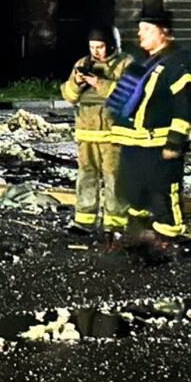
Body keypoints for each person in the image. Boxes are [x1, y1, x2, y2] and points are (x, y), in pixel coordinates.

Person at [104, 8, 191, 253]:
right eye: (140, 30)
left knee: (163, 193)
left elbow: (187, 104)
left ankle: (168, 238)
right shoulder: (142, 63)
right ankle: (140, 236)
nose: (141, 34)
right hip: (133, 144)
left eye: (147, 29)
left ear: (164, 33)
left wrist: (175, 142)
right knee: (132, 191)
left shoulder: (177, 63)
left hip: (159, 145)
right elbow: (121, 101)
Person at [58, 26, 131, 236]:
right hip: (86, 133)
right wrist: (77, 82)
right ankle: (84, 221)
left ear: (112, 45)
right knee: (86, 177)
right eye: (92, 47)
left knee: (114, 179)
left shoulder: (126, 64)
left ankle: (115, 224)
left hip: (113, 133)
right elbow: (69, 96)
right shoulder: (83, 63)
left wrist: (99, 83)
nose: (95, 52)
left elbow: (131, 95)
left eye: (100, 47)